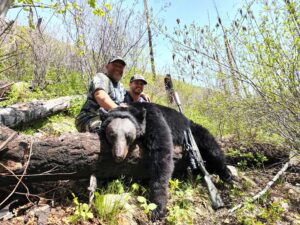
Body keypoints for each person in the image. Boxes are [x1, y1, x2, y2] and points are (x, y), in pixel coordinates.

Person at [75, 56, 128, 133]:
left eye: (121, 67)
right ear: (107, 66)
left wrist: (141, 93)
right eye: (115, 65)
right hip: (90, 117)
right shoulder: (101, 77)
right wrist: (121, 112)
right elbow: (100, 96)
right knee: (108, 131)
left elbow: (129, 94)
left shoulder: (121, 87)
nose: (118, 68)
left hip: (110, 119)